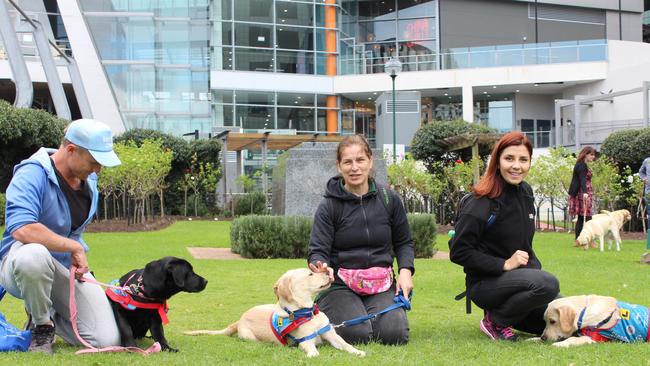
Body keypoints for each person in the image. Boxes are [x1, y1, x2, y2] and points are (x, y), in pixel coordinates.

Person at [0, 119, 122, 354]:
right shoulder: (32, 173)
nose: (98, 170)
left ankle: (47, 311)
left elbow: (73, 228)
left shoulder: (89, 180)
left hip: (62, 270)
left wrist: (74, 255)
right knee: (33, 255)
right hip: (18, 264)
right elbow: (22, 228)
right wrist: (73, 247)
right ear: (71, 150)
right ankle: (42, 326)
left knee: (105, 339)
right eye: (94, 161)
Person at [449, 131, 560, 341]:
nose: (516, 166)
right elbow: (459, 252)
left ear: (529, 163)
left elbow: (524, 245)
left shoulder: (525, 192)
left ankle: (507, 316)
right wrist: (504, 265)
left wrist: (531, 272)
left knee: (561, 313)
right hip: (485, 285)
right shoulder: (481, 201)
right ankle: (495, 322)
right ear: (497, 161)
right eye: (509, 158)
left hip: (518, 286)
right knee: (547, 284)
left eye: (523, 160)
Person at [308, 134, 414, 345]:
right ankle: (351, 313)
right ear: (339, 166)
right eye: (347, 162)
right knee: (356, 334)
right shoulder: (329, 206)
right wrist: (321, 267)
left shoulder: (389, 199)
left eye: (360, 160)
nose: (354, 167)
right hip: (340, 285)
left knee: (394, 335)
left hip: (381, 283)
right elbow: (317, 251)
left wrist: (405, 272)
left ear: (370, 161)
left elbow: (404, 243)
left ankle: (375, 315)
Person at [568, 146, 597, 239]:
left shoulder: (581, 164)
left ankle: (579, 239)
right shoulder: (582, 165)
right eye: (591, 155)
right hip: (582, 193)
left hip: (583, 192)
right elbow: (582, 179)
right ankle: (589, 239)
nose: (593, 157)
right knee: (587, 217)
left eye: (594, 155)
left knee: (581, 217)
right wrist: (585, 192)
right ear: (586, 154)